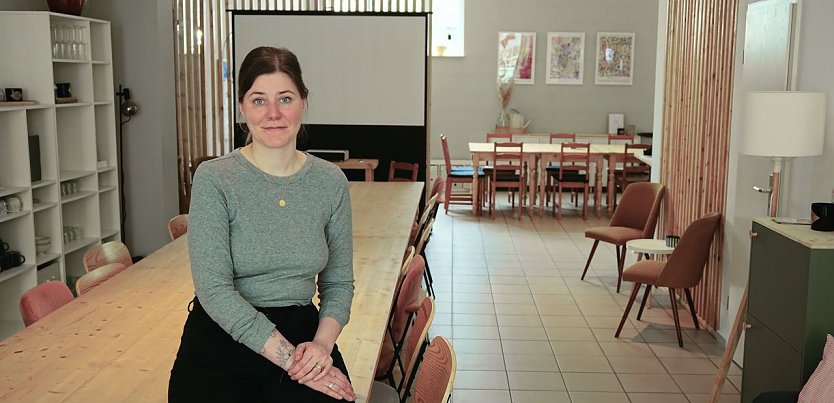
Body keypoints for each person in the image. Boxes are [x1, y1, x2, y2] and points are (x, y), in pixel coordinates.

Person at [169, 46, 356, 402]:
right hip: (219, 336)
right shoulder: (215, 178)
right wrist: (293, 362)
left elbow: (339, 282)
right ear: (242, 107)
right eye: (258, 100)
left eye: (285, 98)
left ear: (303, 101)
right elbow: (215, 291)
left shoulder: (330, 182)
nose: (273, 113)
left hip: (304, 332)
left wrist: (320, 347)